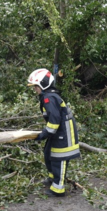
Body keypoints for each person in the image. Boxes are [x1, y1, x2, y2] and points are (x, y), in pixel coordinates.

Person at [27, 68, 80, 197]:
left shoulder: (49, 98)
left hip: (63, 133)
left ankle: (58, 188)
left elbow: (54, 122)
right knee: (48, 153)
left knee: (59, 158)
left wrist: (43, 135)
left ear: (43, 84)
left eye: (36, 87)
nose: (35, 90)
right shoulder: (48, 96)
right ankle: (52, 178)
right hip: (58, 132)